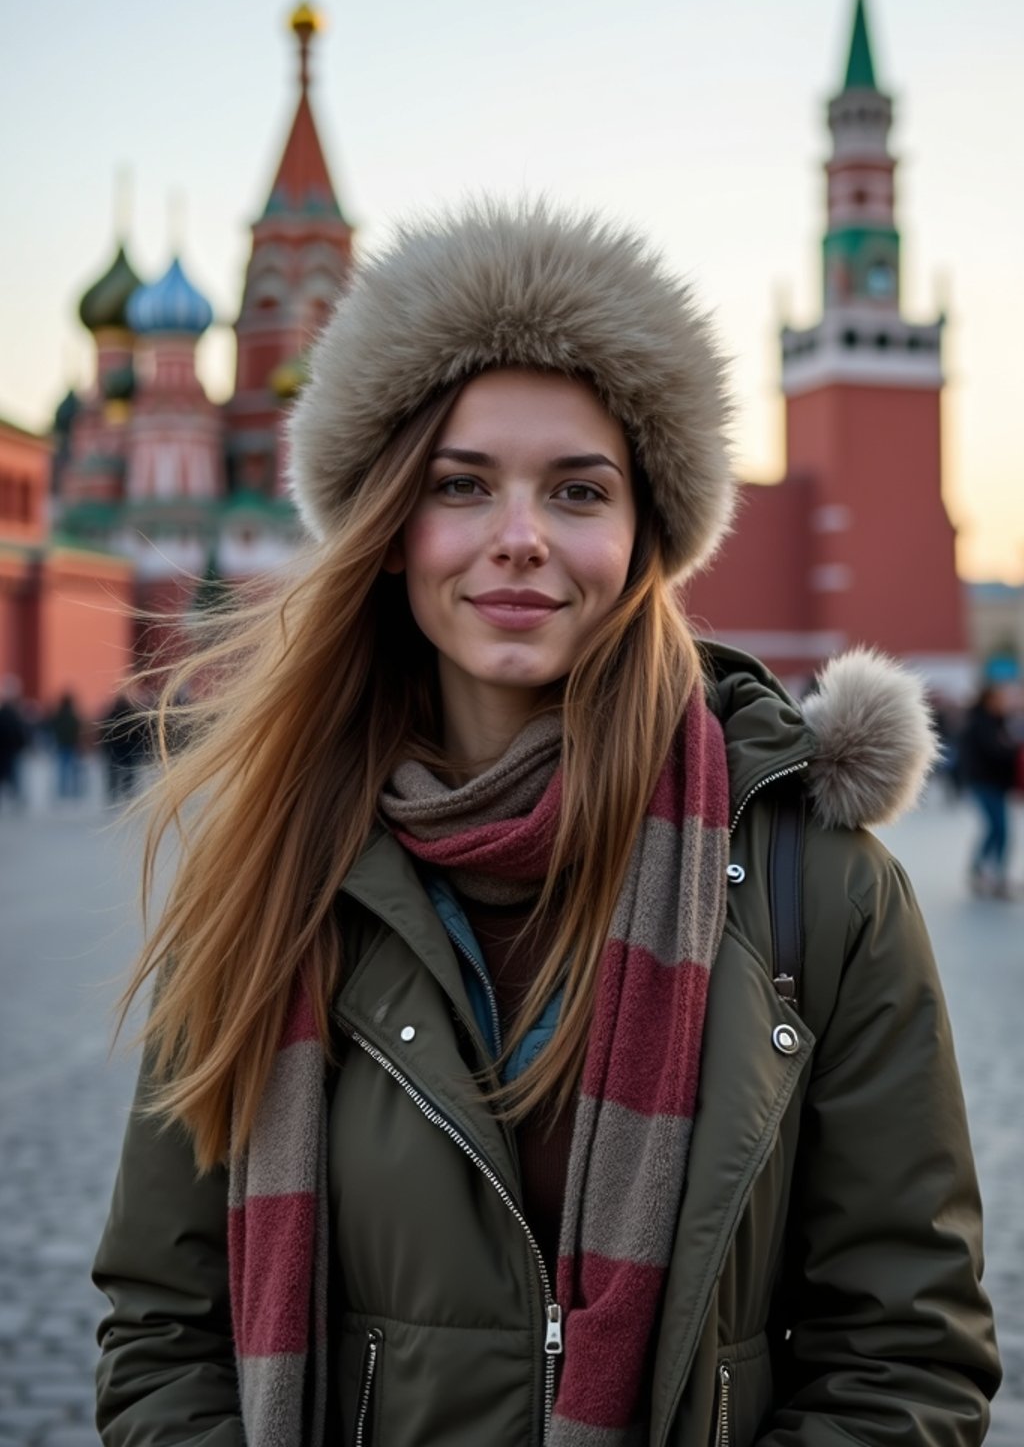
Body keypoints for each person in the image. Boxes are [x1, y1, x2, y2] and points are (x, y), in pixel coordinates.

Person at [93, 202, 1000, 1447]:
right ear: (386, 526)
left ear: (642, 540)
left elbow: (903, 1353)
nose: (518, 540)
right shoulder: (265, 874)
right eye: (459, 486)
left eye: (578, 490)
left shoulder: (816, 889)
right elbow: (162, 1330)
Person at [960, 681, 1020, 898]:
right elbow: (994, 752)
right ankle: (988, 873)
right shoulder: (981, 723)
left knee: (997, 830)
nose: (1004, 702)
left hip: (996, 783)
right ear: (989, 700)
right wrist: (1013, 750)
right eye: (1000, 699)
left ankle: (987, 872)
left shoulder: (997, 721)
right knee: (998, 829)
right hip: (985, 783)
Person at [0, 675, 29, 810]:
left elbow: (19, 730)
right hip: (9, 749)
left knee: (14, 775)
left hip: (10, 748)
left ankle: (17, 799)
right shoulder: (11, 712)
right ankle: (17, 799)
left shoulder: (13, 711)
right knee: (13, 774)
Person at [49, 690, 83, 799]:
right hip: (71, 745)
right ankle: (74, 790)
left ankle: (63, 790)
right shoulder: (73, 716)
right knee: (73, 769)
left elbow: (54, 728)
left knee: (62, 769)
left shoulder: (58, 716)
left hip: (62, 744)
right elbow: (77, 730)